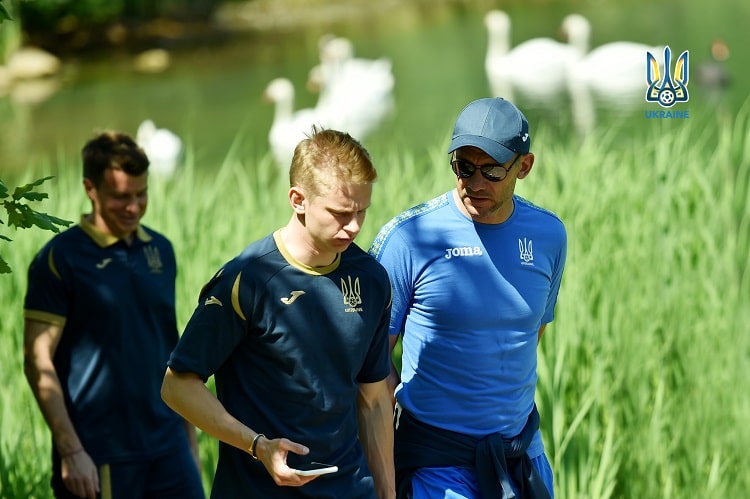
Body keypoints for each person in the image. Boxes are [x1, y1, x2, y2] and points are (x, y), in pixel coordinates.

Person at [160, 126, 396, 499]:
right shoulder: (247, 280)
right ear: (297, 199)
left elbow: (375, 399)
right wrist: (257, 445)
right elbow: (177, 386)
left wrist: (387, 493)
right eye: (338, 213)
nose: (352, 226)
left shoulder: (371, 279)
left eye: (361, 212)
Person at [369, 97, 567, 499]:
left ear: (524, 167)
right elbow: (370, 366)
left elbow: (530, 334)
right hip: (437, 465)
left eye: (492, 170)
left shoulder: (549, 236)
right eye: (464, 167)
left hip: (522, 457)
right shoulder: (407, 239)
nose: (474, 182)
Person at [23, 131, 205, 499]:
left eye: (141, 194)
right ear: (91, 189)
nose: (134, 207)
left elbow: (169, 348)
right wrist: (71, 451)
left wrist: (190, 442)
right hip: (100, 452)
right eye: (121, 196)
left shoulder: (161, 251)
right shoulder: (60, 260)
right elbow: (36, 359)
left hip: (169, 445)